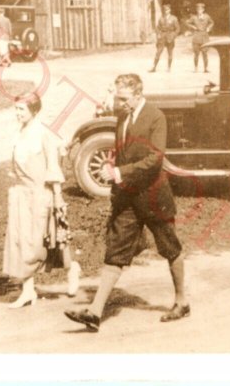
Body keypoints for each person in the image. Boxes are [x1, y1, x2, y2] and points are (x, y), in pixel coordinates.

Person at [64, 74, 189, 332]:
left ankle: (181, 301)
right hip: (128, 199)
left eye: (124, 99)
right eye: (118, 98)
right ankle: (95, 313)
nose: (120, 103)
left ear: (137, 94)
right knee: (116, 252)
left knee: (170, 248)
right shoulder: (122, 117)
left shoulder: (156, 117)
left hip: (155, 198)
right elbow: (123, 154)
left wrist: (121, 173)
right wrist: (114, 171)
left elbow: (155, 158)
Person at [3, 92, 80, 308]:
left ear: (34, 110)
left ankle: (72, 268)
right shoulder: (19, 133)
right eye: (16, 109)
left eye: (21, 110)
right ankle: (28, 291)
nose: (17, 114)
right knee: (22, 243)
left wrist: (57, 197)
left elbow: (52, 167)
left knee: (47, 240)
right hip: (22, 194)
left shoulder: (43, 133)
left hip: (41, 195)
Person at [149, 4, 180, 72]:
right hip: (162, 37)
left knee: (170, 53)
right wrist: (158, 34)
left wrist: (173, 35)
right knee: (158, 52)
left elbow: (177, 29)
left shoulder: (174, 18)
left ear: (170, 10)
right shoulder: (161, 18)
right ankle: (154, 67)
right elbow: (157, 28)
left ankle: (169, 68)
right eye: (165, 10)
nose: (166, 11)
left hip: (170, 36)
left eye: (167, 10)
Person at [186, 2, 213, 73]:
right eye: (198, 9)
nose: (199, 11)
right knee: (196, 53)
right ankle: (196, 68)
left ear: (203, 10)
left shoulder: (207, 16)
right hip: (196, 36)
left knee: (205, 53)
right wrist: (193, 27)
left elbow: (212, 22)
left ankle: (206, 68)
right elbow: (187, 22)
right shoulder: (194, 17)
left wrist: (209, 28)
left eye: (201, 9)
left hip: (204, 37)